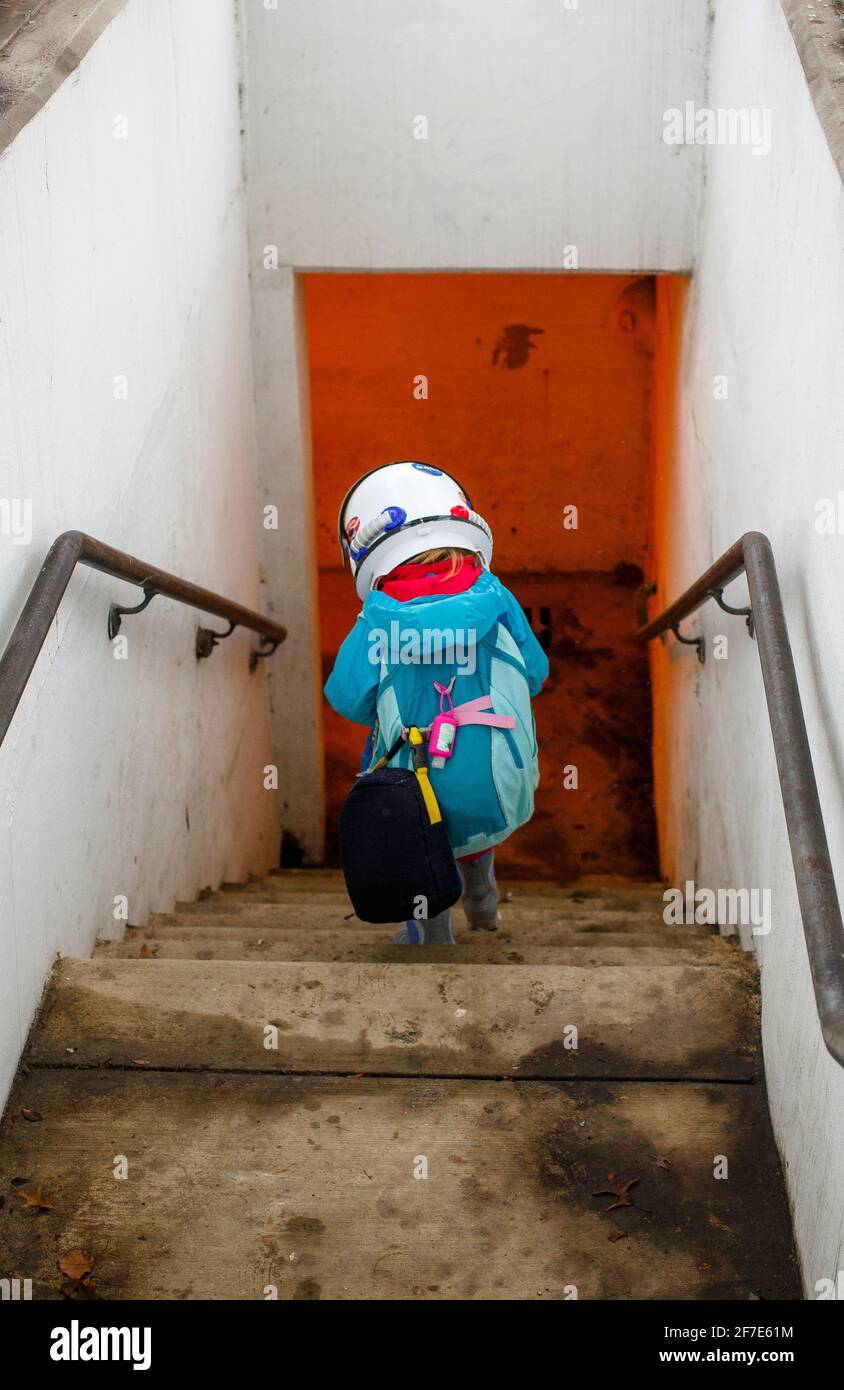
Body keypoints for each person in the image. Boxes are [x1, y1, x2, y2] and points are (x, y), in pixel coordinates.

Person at [325, 461, 548, 944]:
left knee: (423, 837)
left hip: (415, 784)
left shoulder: (373, 621)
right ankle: (483, 901)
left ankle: (433, 938)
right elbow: (535, 674)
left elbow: (346, 698)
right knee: (472, 826)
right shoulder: (498, 598)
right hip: (496, 782)